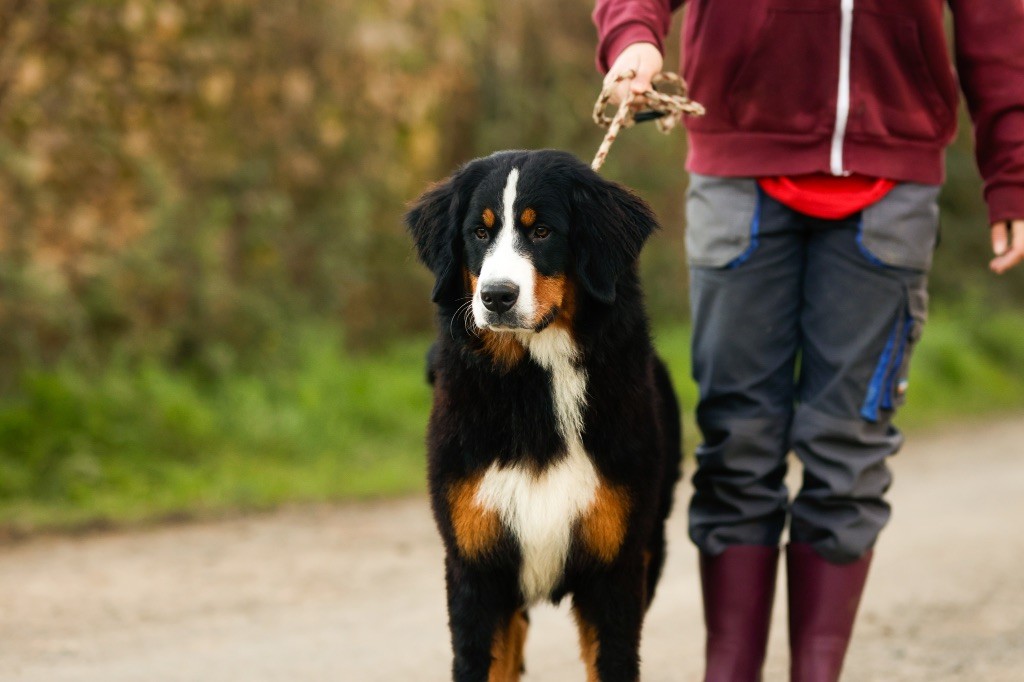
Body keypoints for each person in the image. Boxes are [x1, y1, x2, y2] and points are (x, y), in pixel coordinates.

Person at [592, 2, 1024, 680]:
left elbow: (999, 24)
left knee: (849, 451)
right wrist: (634, 36)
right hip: (739, 168)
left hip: (894, 174)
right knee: (737, 444)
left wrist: (1014, 173)